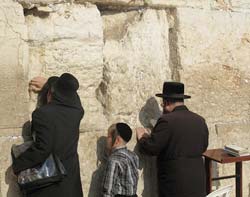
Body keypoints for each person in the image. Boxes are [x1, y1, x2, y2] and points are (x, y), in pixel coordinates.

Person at [12, 73, 84, 197]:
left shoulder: (42, 114)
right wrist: (48, 85)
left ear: (50, 93)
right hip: (71, 184)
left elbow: (42, 149)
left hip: (50, 185)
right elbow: (71, 92)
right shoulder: (77, 111)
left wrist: (18, 165)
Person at [136, 82, 209, 197]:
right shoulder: (199, 120)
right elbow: (203, 146)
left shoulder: (166, 121)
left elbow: (151, 148)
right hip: (197, 182)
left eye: (162, 104)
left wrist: (142, 138)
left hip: (175, 184)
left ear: (167, 102)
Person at [103, 123, 139, 197]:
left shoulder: (114, 160)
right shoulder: (133, 155)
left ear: (117, 140)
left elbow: (108, 190)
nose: (107, 139)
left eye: (109, 137)